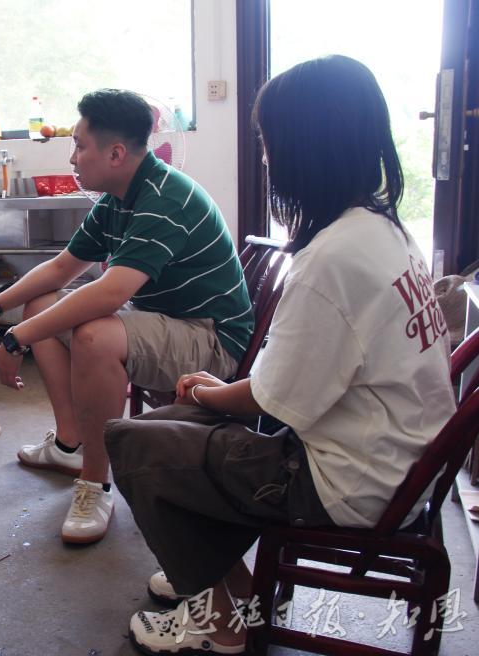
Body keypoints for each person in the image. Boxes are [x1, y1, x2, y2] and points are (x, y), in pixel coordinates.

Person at [105, 55, 456, 655]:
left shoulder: (330, 260)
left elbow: (271, 401)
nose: (266, 160)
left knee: (135, 443)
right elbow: (301, 378)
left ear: (303, 149)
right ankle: (220, 581)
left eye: (268, 143)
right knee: (174, 422)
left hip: (346, 483)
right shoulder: (385, 230)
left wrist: (206, 390)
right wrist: (209, 395)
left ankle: (221, 623)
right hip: (399, 460)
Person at [0, 89, 252, 544]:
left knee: (95, 335)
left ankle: (95, 483)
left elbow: (112, 293)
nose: (72, 158)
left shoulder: (164, 198)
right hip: (164, 320)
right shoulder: (118, 198)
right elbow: (62, 268)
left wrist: (15, 338)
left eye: (79, 145)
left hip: (210, 339)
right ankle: (70, 444)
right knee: (42, 305)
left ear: (116, 153)